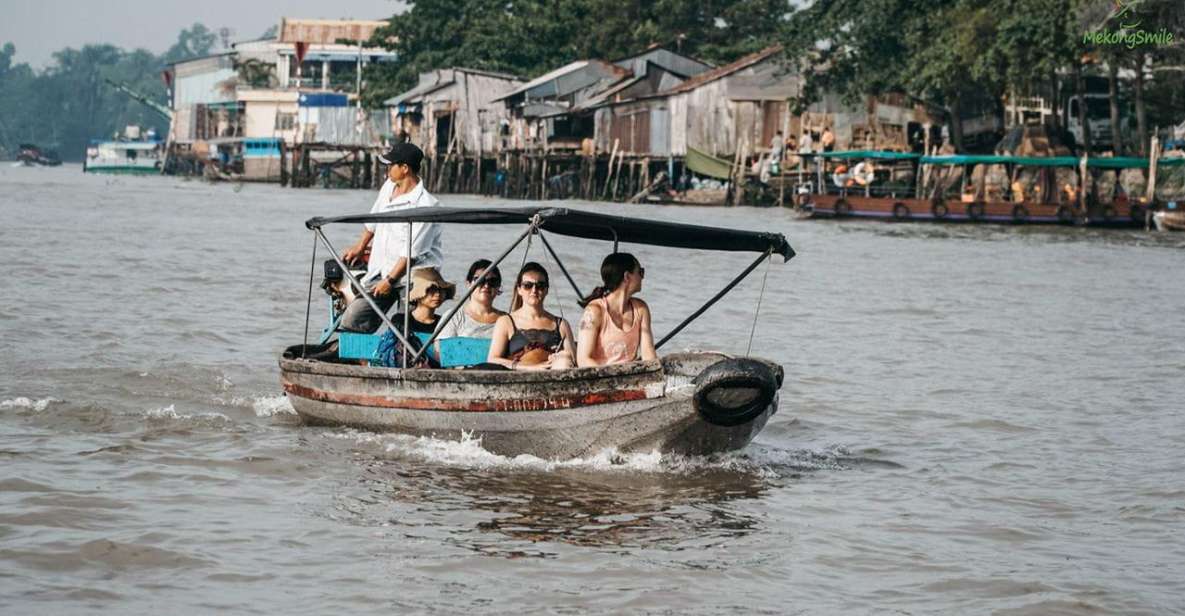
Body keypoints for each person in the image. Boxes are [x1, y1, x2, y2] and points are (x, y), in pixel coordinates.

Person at [338, 143, 443, 333]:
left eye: (391, 165)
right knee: (353, 319)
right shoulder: (389, 187)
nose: (387, 169)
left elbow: (411, 253)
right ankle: (358, 361)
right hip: (381, 269)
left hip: (412, 277)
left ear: (405, 169)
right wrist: (360, 246)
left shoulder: (426, 205)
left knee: (407, 329)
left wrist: (389, 280)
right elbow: (374, 218)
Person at [487, 263, 575, 370]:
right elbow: (493, 359)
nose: (534, 290)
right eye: (528, 285)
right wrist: (530, 367)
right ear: (519, 289)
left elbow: (574, 361)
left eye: (540, 286)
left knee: (565, 360)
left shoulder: (561, 325)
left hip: (553, 377)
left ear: (546, 290)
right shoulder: (506, 322)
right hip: (518, 379)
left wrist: (560, 357)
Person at [576, 253, 657, 368]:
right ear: (627, 277)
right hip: (600, 380)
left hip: (631, 380)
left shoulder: (641, 309)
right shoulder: (595, 311)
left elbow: (648, 355)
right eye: (640, 272)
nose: (642, 277)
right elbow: (583, 360)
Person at [436, 259, 505, 339]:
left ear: (498, 287)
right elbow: (441, 348)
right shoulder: (453, 317)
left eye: (492, 281)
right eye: (480, 280)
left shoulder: (506, 319)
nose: (486, 286)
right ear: (468, 284)